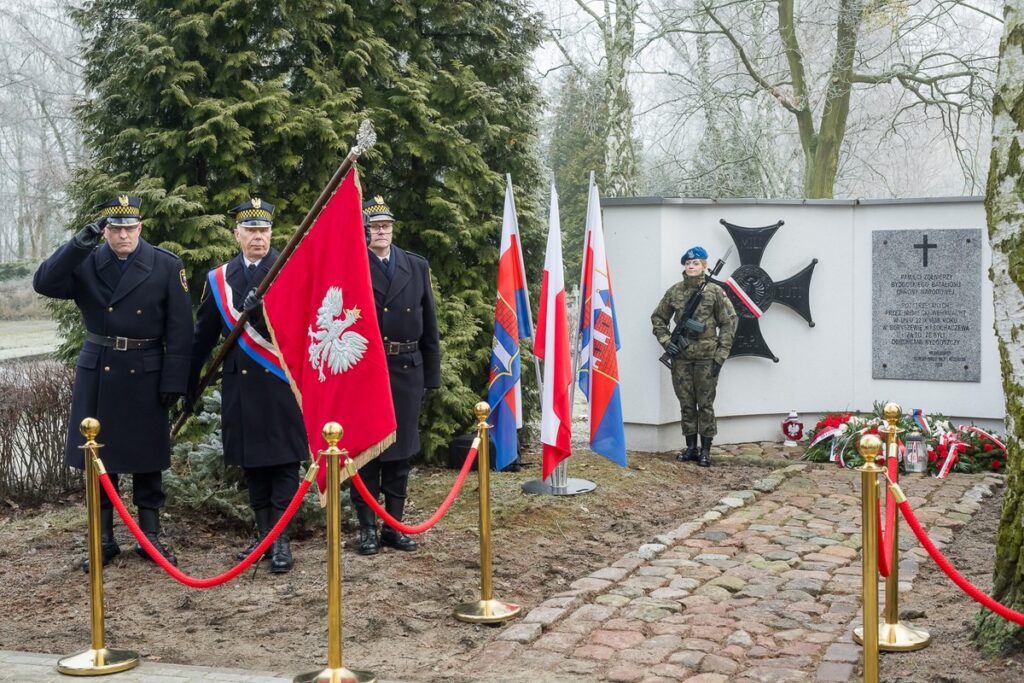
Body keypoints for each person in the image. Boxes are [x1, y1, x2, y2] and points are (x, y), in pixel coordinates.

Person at [33, 195, 193, 569]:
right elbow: (44, 282)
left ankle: (149, 537)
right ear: (105, 231)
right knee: (97, 457)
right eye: (116, 228)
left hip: (146, 367)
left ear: (141, 227)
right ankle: (102, 538)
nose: (124, 235)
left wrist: (175, 378)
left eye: (130, 228)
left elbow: (181, 330)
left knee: (147, 459)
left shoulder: (165, 265)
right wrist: (78, 243)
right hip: (100, 367)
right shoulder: (87, 261)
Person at [189, 198, 307, 573]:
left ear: (272, 233)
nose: (259, 237)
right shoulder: (220, 279)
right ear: (237, 234)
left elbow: (309, 328)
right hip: (242, 387)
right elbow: (202, 336)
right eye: (251, 230)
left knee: (286, 463)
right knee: (253, 465)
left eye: (265, 230)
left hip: (283, 383)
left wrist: (267, 313)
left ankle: (281, 539)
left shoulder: (289, 269)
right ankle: (263, 535)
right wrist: (186, 384)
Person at [352, 195, 441, 555]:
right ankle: (367, 529)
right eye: (374, 227)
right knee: (367, 453)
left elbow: (430, 325)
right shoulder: (354, 265)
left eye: (386, 226)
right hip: (368, 372)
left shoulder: (415, 266)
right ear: (365, 231)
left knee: (400, 454)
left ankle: (394, 525)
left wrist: (431, 376)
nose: (381, 232)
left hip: (407, 369)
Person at [650, 246, 737, 468]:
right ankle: (691, 447)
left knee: (705, 404)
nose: (691, 266)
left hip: (707, 358)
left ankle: (706, 450)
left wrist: (721, 355)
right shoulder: (675, 292)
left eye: (696, 263)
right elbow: (659, 318)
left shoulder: (715, 292)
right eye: (688, 263)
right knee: (687, 403)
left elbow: (729, 322)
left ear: (704, 266)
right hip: (681, 357)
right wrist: (667, 342)